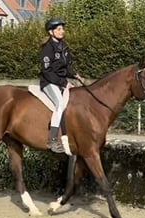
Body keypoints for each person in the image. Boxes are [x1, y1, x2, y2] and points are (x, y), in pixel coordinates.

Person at [39, 17, 82, 153]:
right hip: (49, 82)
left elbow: (66, 67)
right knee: (60, 104)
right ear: (51, 32)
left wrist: (74, 75)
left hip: (61, 81)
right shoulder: (48, 48)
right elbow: (47, 71)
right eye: (59, 29)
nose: (62, 31)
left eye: (63, 28)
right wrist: (64, 83)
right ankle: (52, 140)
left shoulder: (64, 46)